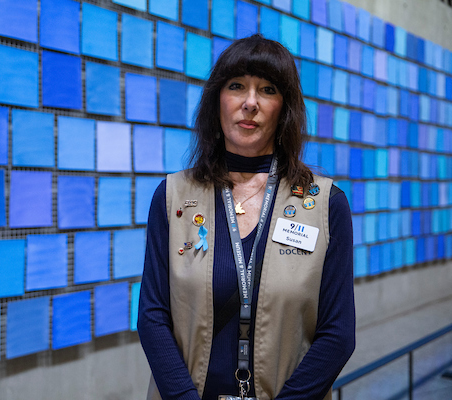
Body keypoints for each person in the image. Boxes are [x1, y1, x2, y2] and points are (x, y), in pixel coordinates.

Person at [137, 34, 355, 400]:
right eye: (237, 86)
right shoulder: (173, 196)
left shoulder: (325, 205)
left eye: (267, 89)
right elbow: (153, 317)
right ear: (217, 101)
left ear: (284, 108)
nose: (250, 103)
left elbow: (337, 334)